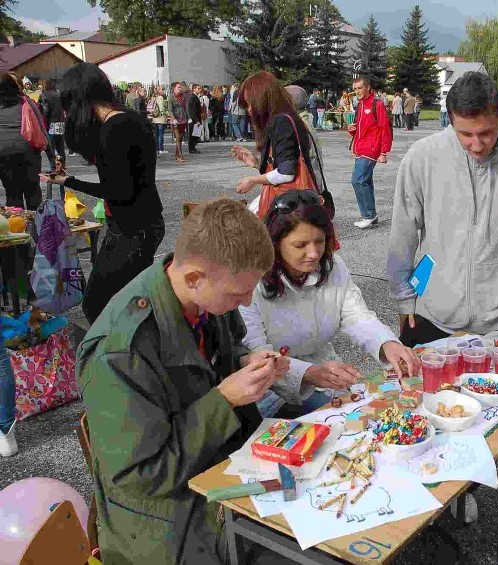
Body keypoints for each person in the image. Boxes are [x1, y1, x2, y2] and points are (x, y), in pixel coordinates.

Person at [77, 198, 288, 564]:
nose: (247, 300)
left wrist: (243, 361)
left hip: (220, 470)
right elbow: (141, 478)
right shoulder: (120, 351)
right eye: (238, 292)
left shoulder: (202, 296)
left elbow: (222, 351)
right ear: (193, 278)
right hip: (167, 525)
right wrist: (224, 400)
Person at [388, 72, 498, 346]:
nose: (476, 145)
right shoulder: (422, 156)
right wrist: (404, 298)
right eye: (465, 134)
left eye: (486, 133)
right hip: (431, 313)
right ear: (450, 119)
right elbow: (403, 230)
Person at [240, 191, 420, 417]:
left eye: (320, 241)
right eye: (300, 244)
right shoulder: (251, 280)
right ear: (275, 244)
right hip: (269, 391)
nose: (314, 253)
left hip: (325, 374)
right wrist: (308, 373)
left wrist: (386, 344)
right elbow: (257, 354)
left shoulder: (332, 265)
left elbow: (356, 315)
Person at [41, 63, 165, 324]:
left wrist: (70, 181)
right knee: (129, 301)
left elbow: (117, 191)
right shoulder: (130, 119)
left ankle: (122, 357)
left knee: (98, 302)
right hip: (143, 223)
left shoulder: (113, 129)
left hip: (132, 230)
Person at [231, 71, 320, 216]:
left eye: (251, 103)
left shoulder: (281, 121)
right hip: (294, 200)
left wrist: (252, 180)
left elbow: (286, 173)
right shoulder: (289, 117)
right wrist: (257, 163)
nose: (249, 110)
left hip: (289, 205)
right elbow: (287, 162)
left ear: (263, 99)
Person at [348, 76, 392, 229]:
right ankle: (371, 215)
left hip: (371, 150)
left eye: (360, 88)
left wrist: (384, 152)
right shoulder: (360, 105)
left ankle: (368, 215)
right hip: (361, 149)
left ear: (367, 87)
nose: (357, 91)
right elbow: (361, 129)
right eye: (355, 89)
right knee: (366, 182)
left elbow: (385, 128)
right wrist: (351, 130)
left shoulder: (377, 104)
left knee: (357, 180)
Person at [0, 72, 42, 210]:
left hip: (3, 153)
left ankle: (17, 229)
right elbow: (40, 127)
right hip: (28, 151)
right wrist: (53, 157)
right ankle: (37, 228)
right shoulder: (27, 101)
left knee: (12, 194)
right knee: (33, 192)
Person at [39, 79, 65, 172]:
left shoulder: (44, 95)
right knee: (60, 147)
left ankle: (53, 168)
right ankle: (62, 167)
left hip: (51, 123)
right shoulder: (58, 94)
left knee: (51, 147)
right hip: (60, 122)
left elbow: (45, 111)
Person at [169, 82, 188, 162]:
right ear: (174, 88)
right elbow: (170, 110)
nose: (180, 88)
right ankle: (180, 156)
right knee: (177, 138)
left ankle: (176, 155)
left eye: (180, 87)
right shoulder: (171, 98)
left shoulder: (183, 97)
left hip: (183, 119)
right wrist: (173, 119)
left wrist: (188, 117)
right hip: (176, 120)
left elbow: (185, 108)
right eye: (178, 87)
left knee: (180, 138)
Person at [150, 84, 169, 155]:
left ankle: (157, 149)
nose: (163, 90)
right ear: (159, 90)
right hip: (161, 118)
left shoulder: (153, 97)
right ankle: (161, 148)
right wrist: (166, 113)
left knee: (156, 134)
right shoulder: (160, 97)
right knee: (161, 134)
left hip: (154, 118)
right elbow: (161, 108)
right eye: (162, 89)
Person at [186, 83, 202, 154]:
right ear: (194, 89)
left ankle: (193, 147)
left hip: (196, 118)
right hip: (194, 119)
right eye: (198, 88)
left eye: (200, 88)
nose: (200, 89)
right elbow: (191, 110)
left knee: (196, 134)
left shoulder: (195, 97)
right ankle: (191, 148)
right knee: (193, 134)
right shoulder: (192, 97)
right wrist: (196, 120)